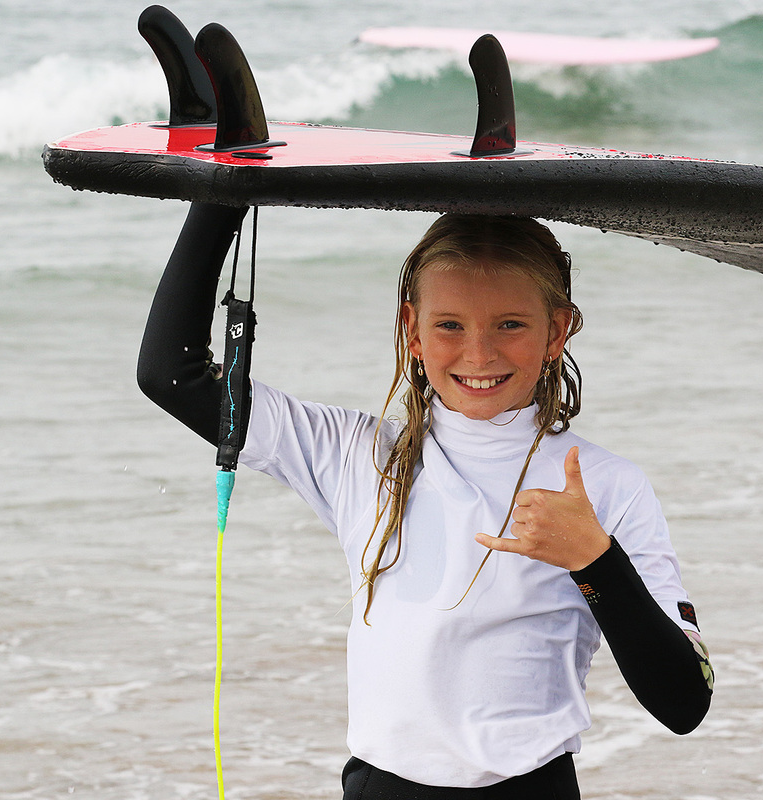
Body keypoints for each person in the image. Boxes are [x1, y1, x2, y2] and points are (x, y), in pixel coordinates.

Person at [137, 204, 713, 799]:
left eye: (511, 324)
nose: (480, 354)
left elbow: (684, 701)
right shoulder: (356, 454)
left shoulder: (605, 486)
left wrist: (595, 560)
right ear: (412, 329)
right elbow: (168, 374)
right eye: (450, 326)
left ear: (557, 330)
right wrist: (223, 194)